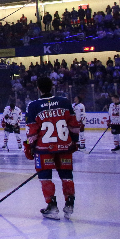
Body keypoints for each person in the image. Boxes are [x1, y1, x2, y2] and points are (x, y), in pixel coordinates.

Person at [24, 76, 80, 219]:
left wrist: (30, 146)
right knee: (67, 176)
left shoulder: (33, 106)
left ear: (38, 88)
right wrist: (74, 142)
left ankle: (52, 206)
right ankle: (69, 203)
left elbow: (31, 131)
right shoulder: (65, 102)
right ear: (52, 86)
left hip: (44, 150)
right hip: (64, 147)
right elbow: (74, 126)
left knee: (45, 177)